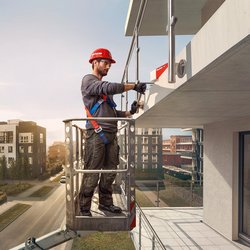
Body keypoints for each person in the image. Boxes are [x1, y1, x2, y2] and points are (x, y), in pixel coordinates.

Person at [79, 48, 146, 216]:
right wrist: (133, 86)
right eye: (105, 63)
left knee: (110, 172)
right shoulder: (89, 81)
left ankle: (106, 203)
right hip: (96, 135)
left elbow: (113, 114)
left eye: (109, 64)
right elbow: (108, 87)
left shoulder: (105, 94)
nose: (108, 67)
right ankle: (84, 208)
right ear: (95, 63)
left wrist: (130, 112)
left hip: (111, 134)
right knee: (92, 173)